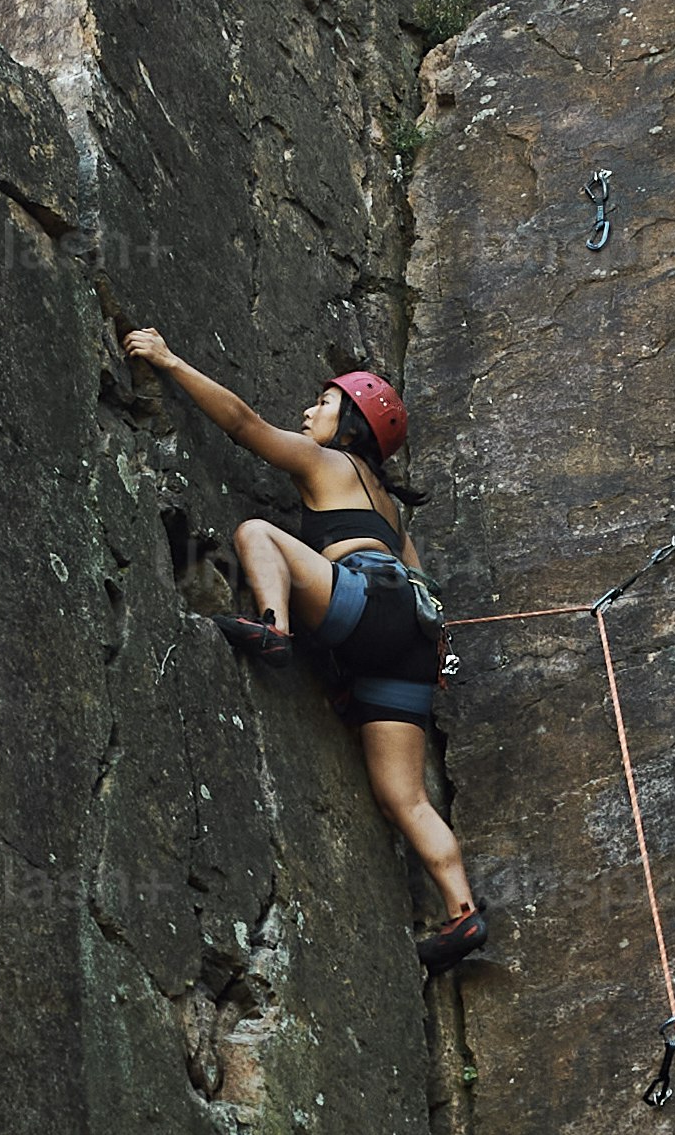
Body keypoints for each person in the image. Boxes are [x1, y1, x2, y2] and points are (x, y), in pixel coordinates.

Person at [121, 327, 487, 972]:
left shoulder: (329, 463)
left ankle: (272, 626)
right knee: (405, 798)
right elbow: (421, 584)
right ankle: (463, 913)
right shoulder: (391, 511)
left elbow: (243, 423)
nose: (309, 413)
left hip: (366, 605)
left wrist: (170, 360)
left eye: (322, 404)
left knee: (256, 531)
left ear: (350, 423)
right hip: (412, 638)